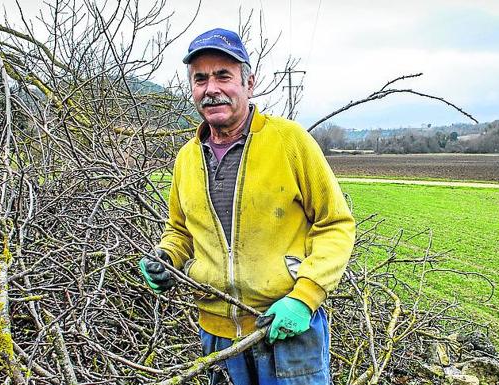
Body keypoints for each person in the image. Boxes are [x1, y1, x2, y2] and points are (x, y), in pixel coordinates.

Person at [139, 27, 356, 385]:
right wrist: (166, 258)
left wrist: (305, 297)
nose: (212, 89)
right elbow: (180, 231)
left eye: (223, 75)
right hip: (218, 334)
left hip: (288, 328)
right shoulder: (186, 159)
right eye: (200, 79)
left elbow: (336, 224)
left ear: (249, 82)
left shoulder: (289, 142)